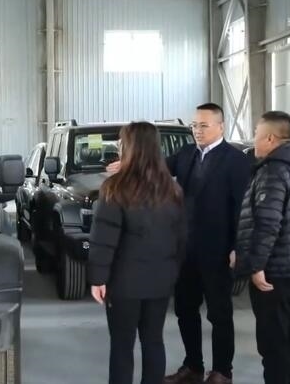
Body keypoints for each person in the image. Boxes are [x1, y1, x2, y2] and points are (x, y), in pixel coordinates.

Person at [111, 103, 251, 384]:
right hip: (185, 249)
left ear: (221, 127)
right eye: (194, 125)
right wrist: (128, 167)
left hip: (218, 250)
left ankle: (222, 371)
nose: (198, 131)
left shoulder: (236, 160)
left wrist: (239, 246)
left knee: (219, 313)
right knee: (185, 310)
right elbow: (154, 168)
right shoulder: (186, 154)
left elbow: (242, 208)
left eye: (204, 125)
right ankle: (193, 366)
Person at [88, 121, 188, 384]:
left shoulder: (115, 188)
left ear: (129, 147)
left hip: (124, 284)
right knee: (153, 340)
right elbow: (181, 239)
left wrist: (98, 279)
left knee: (122, 345)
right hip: (160, 281)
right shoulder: (172, 189)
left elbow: (104, 239)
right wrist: (171, 272)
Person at [234, 111, 290, 384]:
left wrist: (256, 265)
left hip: (275, 270)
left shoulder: (273, 171)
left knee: (274, 342)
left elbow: (268, 222)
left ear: (270, 138)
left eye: (256, 135)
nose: (253, 141)